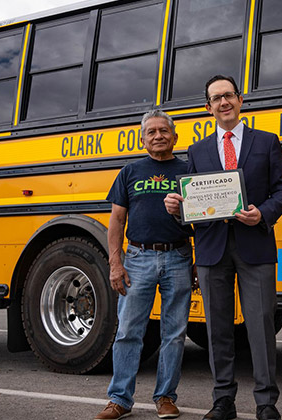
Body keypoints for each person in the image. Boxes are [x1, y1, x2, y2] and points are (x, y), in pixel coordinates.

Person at [164, 75, 282, 420]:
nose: (224, 103)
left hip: (255, 245)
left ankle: (266, 403)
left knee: (260, 325)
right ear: (208, 108)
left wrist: (261, 214)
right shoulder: (198, 150)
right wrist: (178, 208)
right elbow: (192, 204)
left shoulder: (267, 142)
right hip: (211, 248)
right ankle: (223, 401)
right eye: (216, 98)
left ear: (240, 100)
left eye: (229, 96)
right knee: (217, 327)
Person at [96, 110, 194, 420]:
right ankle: (120, 399)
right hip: (137, 258)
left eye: (163, 131)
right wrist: (115, 262)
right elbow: (117, 219)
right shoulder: (130, 172)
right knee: (128, 331)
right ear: (143, 139)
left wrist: (199, 260)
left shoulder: (189, 170)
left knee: (175, 333)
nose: (158, 136)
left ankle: (165, 397)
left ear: (174, 137)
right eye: (151, 132)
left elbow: (204, 217)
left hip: (179, 256)